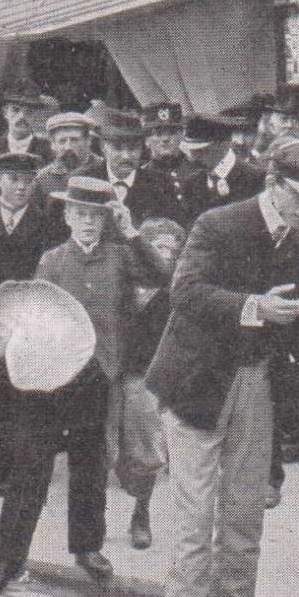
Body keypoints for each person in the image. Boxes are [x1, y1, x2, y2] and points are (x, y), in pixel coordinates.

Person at [146, 140, 299, 597]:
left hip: (256, 386)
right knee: (192, 528)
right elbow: (185, 293)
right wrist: (254, 306)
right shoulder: (218, 223)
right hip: (196, 387)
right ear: (274, 182)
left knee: (243, 521)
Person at [0, 177, 172, 596]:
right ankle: (7, 561)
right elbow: (31, 317)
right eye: (80, 213)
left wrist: (132, 231)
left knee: (90, 468)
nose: (87, 221)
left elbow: (161, 275)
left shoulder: (122, 257)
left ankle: (87, 547)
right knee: (30, 469)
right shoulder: (51, 262)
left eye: (96, 214)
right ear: (66, 216)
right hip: (50, 380)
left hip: (98, 379)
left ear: (106, 218)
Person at [0, 152, 68, 494]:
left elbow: (48, 280)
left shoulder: (47, 223)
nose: (20, 188)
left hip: (27, 323)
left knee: (22, 395)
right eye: (13, 180)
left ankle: (17, 471)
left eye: (27, 181)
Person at [117, 217, 185, 550]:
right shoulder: (122, 280)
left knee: (145, 450)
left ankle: (140, 514)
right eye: (159, 248)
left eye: (174, 251)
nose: (167, 256)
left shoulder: (174, 289)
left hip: (145, 375)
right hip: (110, 369)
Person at [93, 106, 182, 223]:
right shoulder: (87, 179)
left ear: (142, 147)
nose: (126, 156)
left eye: (133, 148)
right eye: (118, 148)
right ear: (103, 147)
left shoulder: (161, 184)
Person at [31, 110, 104, 213]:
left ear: (88, 140)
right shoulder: (43, 179)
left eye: (74, 140)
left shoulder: (104, 169)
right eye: (62, 141)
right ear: (53, 145)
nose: (68, 147)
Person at [189, 112, 265, 210]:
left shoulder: (256, 178)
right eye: (192, 151)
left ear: (223, 144)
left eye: (201, 151)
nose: (194, 157)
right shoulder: (191, 185)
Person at [142, 101, 201, 225]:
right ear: (146, 140)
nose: (165, 139)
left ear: (181, 135)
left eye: (172, 132)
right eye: (158, 133)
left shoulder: (199, 170)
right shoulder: (141, 178)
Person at [0, 86, 56, 163]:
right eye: (16, 110)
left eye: (29, 111)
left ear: (35, 116)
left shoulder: (49, 151)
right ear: (5, 113)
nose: (22, 116)